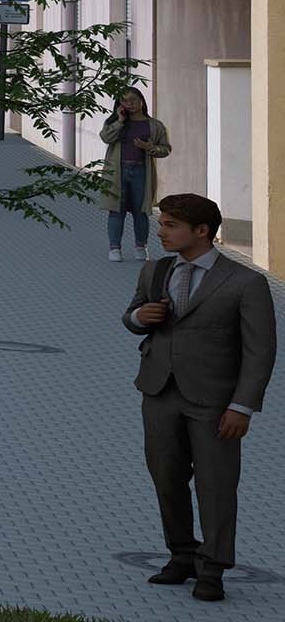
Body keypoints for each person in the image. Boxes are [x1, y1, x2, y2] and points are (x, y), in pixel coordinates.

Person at [130, 192, 276, 602]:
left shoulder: (246, 282)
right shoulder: (155, 271)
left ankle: (213, 567)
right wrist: (140, 318)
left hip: (215, 401)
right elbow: (132, 314)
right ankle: (182, 554)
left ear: (202, 231)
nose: (161, 232)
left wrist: (242, 406)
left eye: (170, 225)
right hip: (159, 392)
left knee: (216, 485)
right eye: (160, 224)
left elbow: (260, 350)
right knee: (166, 478)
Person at [107, 92, 177, 262]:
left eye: (133, 100)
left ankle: (141, 246)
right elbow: (105, 137)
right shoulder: (115, 122)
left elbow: (166, 149)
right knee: (116, 210)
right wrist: (120, 122)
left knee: (141, 211)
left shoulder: (154, 125)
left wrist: (149, 147)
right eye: (125, 100)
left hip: (141, 171)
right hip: (118, 171)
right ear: (119, 104)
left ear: (141, 101)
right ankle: (114, 248)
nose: (129, 104)